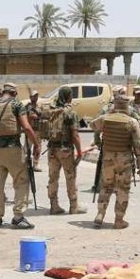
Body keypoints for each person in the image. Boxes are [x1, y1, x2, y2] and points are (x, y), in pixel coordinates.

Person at [0, 82, 40, 229]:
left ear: (3, 92)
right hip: (13, 150)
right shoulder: (17, 105)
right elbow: (27, 127)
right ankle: (18, 217)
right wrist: (36, 144)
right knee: (21, 181)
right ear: (14, 93)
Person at [90, 94, 140, 229]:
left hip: (108, 158)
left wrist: (107, 117)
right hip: (124, 160)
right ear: (127, 106)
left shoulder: (105, 118)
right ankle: (119, 220)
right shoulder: (132, 122)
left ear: (114, 105)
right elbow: (139, 145)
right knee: (122, 189)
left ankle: (100, 214)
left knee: (106, 186)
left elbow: (92, 125)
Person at [43, 86, 86, 215]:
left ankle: (54, 205)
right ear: (68, 96)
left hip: (51, 149)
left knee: (53, 178)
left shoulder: (52, 111)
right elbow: (75, 135)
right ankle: (74, 206)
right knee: (70, 177)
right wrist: (79, 152)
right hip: (65, 150)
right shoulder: (70, 112)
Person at [23, 90, 44, 171]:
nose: (35, 98)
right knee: (27, 148)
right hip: (30, 130)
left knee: (37, 148)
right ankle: (25, 165)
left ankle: (35, 164)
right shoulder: (27, 107)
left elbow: (42, 116)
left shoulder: (39, 107)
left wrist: (38, 117)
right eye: (33, 96)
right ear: (30, 97)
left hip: (38, 130)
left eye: (36, 96)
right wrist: (30, 116)